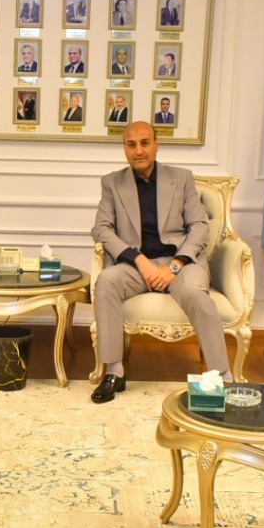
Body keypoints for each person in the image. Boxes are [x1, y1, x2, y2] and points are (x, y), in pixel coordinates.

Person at [90, 122, 229, 403]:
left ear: (156, 145)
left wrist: (174, 266)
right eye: (131, 145)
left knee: (194, 293)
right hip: (137, 266)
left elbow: (200, 226)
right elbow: (101, 229)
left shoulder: (181, 178)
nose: (138, 150)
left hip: (181, 263)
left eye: (145, 143)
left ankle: (222, 377)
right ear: (124, 149)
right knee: (106, 281)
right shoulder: (112, 183)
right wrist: (139, 260)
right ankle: (114, 372)